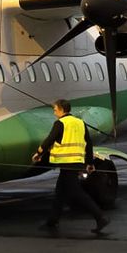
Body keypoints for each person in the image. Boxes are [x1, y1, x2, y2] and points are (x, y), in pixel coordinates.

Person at [32, 99, 110, 235]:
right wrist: (89, 162)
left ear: (62, 109)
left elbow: (50, 139)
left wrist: (39, 153)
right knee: (60, 191)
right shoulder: (80, 122)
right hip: (76, 161)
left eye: (55, 109)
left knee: (76, 192)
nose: (54, 111)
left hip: (67, 162)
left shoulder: (60, 123)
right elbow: (88, 143)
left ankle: (100, 217)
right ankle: (52, 221)